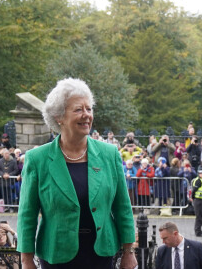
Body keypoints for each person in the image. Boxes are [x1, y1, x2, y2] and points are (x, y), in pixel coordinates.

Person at [17, 78, 137, 269]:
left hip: (101, 254)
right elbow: (27, 214)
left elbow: (123, 207)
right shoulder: (37, 159)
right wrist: (26, 259)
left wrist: (129, 251)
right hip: (56, 255)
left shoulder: (109, 154)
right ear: (59, 117)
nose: (86, 115)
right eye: (78, 109)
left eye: (89, 109)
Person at [191, 168, 202, 237]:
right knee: (199, 216)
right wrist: (193, 198)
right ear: (199, 174)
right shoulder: (199, 181)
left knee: (201, 215)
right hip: (198, 200)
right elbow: (194, 190)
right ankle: (198, 232)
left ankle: (199, 230)